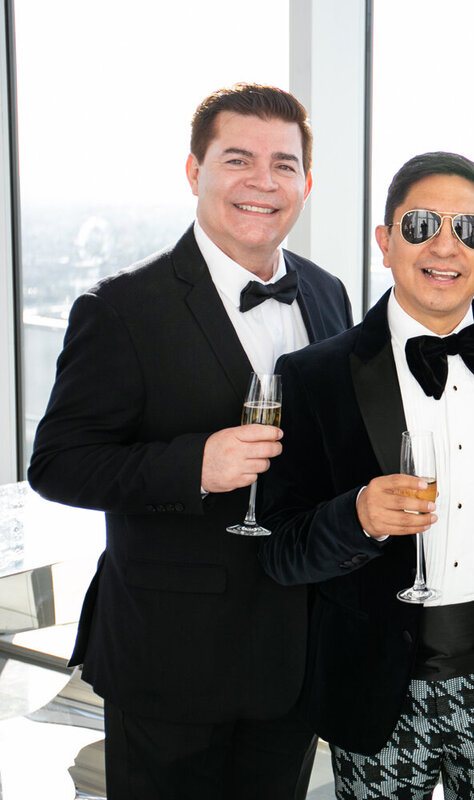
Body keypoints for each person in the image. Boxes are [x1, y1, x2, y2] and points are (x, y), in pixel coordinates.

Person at [27, 83, 353, 799]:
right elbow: (56, 465)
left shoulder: (328, 294)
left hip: (294, 657)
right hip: (168, 659)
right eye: (238, 159)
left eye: (284, 165)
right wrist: (194, 466)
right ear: (193, 171)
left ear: (306, 182)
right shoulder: (120, 309)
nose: (263, 183)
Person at [256, 151, 474, 800]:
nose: (446, 245)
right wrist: (355, 516)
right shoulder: (313, 377)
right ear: (386, 241)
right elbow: (278, 549)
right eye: (421, 225)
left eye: (469, 230)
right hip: (373, 683)